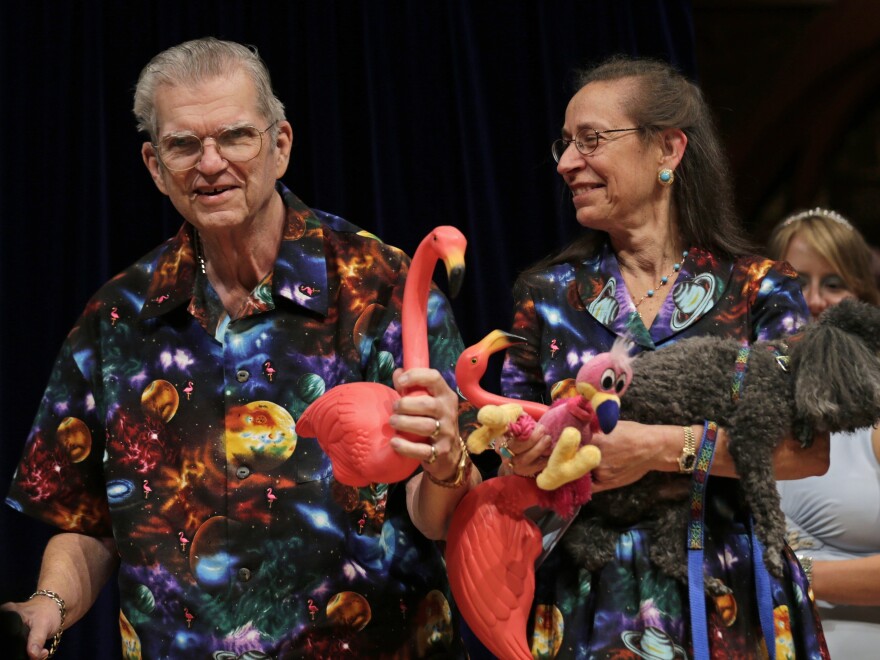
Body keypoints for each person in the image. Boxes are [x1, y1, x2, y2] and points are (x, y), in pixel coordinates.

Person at [1, 37, 479, 659]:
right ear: (153, 164)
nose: (210, 163)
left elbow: (441, 512)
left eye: (234, 137)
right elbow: (87, 522)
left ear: (279, 145)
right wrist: (51, 603)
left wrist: (447, 461)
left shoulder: (381, 287)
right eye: (182, 145)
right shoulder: (115, 317)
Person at [488, 55, 830, 657]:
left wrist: (657, 448)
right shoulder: (546, 298)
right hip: (587, 598)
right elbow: (511, 461)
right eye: (564, 145)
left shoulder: (760, 292)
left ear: (668, 150)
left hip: (727, 593)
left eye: (591, 140)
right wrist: (519, 450)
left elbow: (806, 450)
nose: (569, 163)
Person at [769, 208, 880, 658]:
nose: (812, 300)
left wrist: (793, 576)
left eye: (833, 284)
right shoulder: (729, 407)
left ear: (863, 299)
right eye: (795, 283)